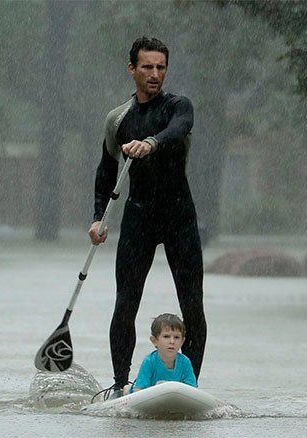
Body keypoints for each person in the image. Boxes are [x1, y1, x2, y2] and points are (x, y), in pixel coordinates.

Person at [88, 36, 207, 399]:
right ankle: (121, 385)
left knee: (192, 305)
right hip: (139, 217)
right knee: (125, 303)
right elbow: (106, 171)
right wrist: (98, 218)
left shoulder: (178, 107)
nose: (155, 74)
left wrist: (151, 143)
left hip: (179, 217)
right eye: (147, 67)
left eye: (161, 67)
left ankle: (188, 386)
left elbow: (178, 129)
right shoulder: (118, 119)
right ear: (132, 69)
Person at [124, 313, 197, 395]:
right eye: (166, 336)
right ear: (154, 340)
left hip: (172, 397)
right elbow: (138, 391)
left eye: (176, 337)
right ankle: (127, 388)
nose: (172, 341)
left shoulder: (185, 362)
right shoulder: (149, 361)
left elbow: (192, 389)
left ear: (182, 342)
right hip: (148, 393)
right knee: (131, 389)